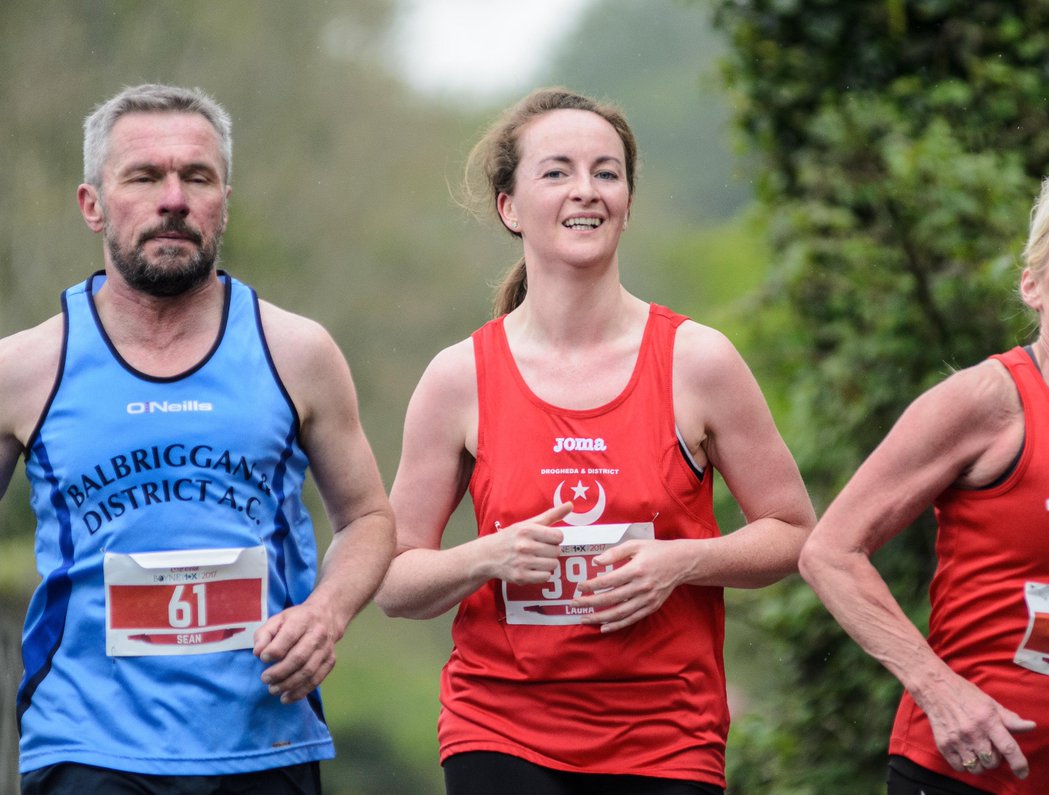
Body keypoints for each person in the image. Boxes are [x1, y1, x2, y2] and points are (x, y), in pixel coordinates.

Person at [374, 87, 815, 795]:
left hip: (667, 736)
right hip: (502, 728)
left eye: (606, 172)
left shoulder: (698, 362)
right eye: (556, 172)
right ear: (509, 206)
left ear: (628, 201)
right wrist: (488, 555)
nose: (586, 191)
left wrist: (681, 559)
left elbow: (795, 533)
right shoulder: (459, 378)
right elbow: (393, 580)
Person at [0, 83, 395, 794]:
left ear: (224, 201)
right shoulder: (26, 367)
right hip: (87, 743)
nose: (173, 198)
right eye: (145, 176)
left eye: (197, 177)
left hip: (263, 742)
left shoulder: (296, 350)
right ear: (92, 203)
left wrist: (325, 614)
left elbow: (368, 518)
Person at [798, 165, 1049, 795]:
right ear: (1033, 284)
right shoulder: (984, 404)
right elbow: (830, 552)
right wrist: (938, 690)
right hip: (969, 764)